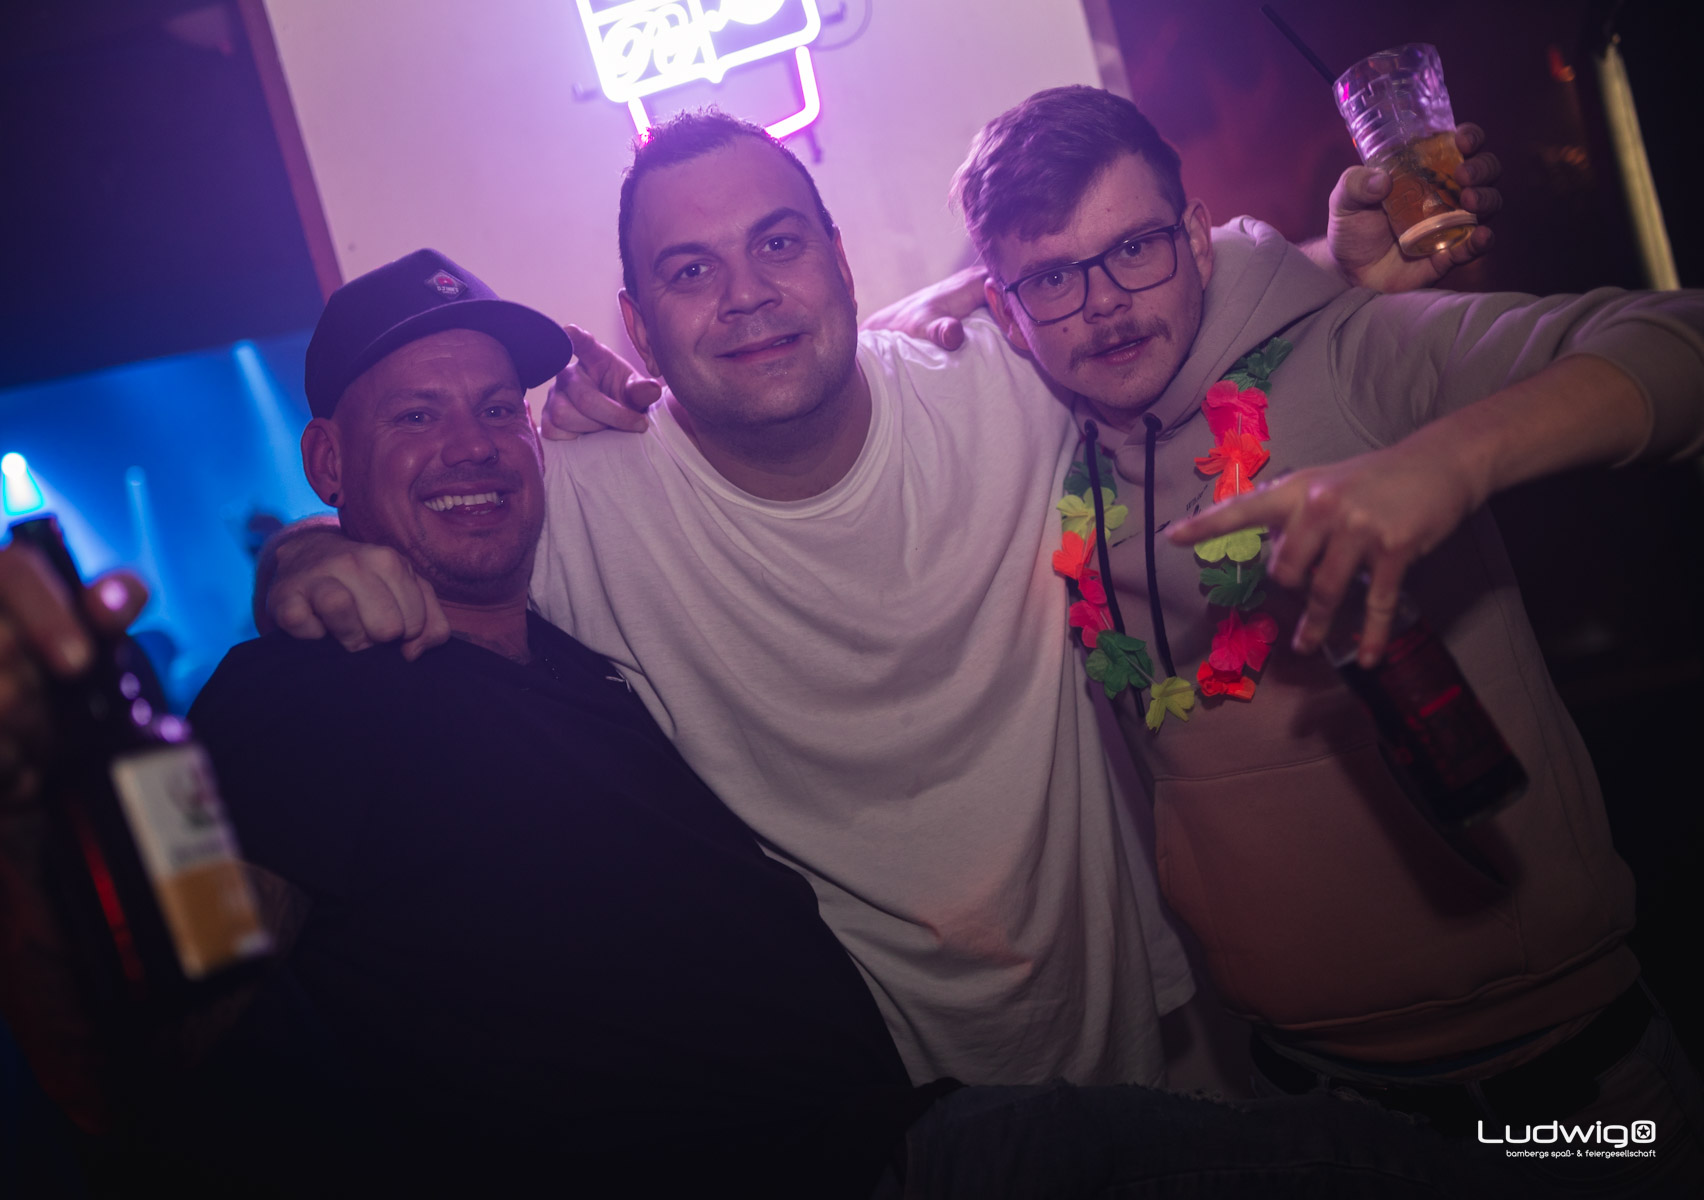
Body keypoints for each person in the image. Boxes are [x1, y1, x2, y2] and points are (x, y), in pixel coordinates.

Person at [0, 250, 1532, 1198]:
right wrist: (11, 813)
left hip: (898, 1137)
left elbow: (773, 387)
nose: (473, 444)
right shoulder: (300, 697)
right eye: (416, 416)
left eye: (496, 407)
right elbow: (155, 1043)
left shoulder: (567, 645)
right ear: (327, 462)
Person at [260, 109, 1502, 1093]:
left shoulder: (1003, 387)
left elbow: (1152, 298)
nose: (747, 293)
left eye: (778, 243)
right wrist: (300, 562)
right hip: (870, 1114)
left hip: (1154, 1052)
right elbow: (426, 524)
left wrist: (1330, 268)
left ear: (841, 259)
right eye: (691, 270)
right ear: (636, 326)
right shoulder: (573, 501)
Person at [935, 86, 1703, 1187]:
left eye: (1136, 249)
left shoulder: (1350, 353)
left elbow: (1680, 339)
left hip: (1555, 1099)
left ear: (1196, 236)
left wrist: (1442, 465)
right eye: (1055, 278)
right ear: (1011, 314)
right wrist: (943, 301)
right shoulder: (1054, 433)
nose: (1104, 305)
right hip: (1301, 1109)